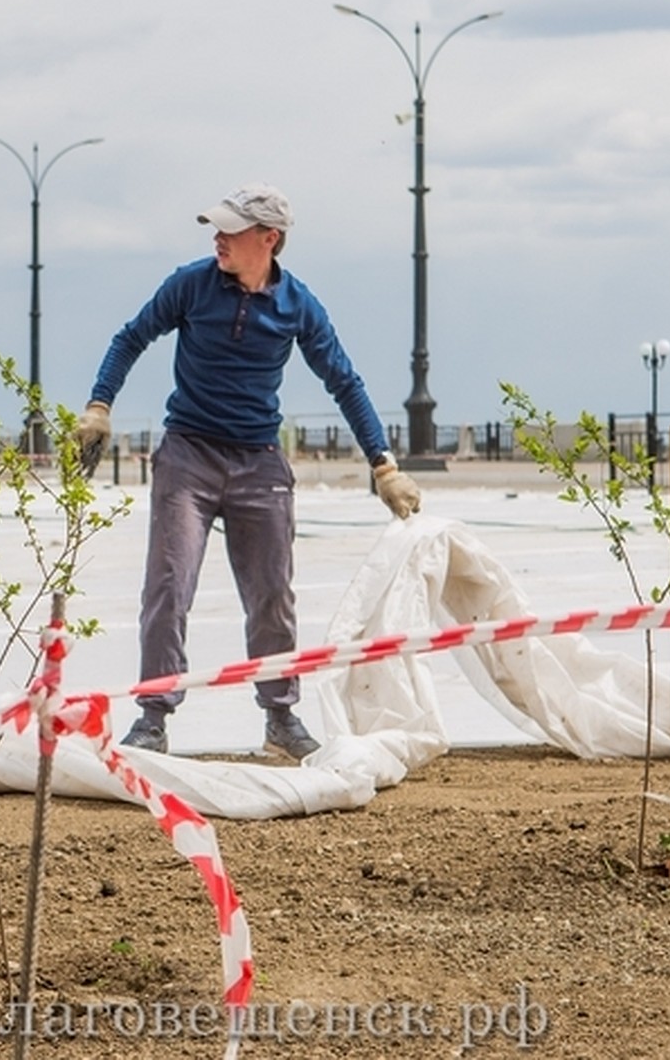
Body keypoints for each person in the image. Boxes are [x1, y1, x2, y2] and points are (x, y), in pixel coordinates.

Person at [75, 182, 421, 761]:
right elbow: (131, 337)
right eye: (216, 227)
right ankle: (153, 717)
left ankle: (280, 718)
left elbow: (344, 381)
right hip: (188, 455)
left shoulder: (297, 306)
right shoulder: (191, 283)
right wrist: (99, 406)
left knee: (272, 596)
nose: (217, 238)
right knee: (168, 584)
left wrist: (383, 466)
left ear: (269, 239)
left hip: (259, 463)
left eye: (230, 230)